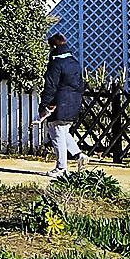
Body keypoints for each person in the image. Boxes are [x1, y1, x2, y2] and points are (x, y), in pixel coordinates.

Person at [36, 32, 86, 173]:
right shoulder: (75, 63)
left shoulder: (56, 64)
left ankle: (61, 168)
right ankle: (79, 155)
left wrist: (44, 105)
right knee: (64, 132)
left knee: (56, 134)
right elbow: (81, 85)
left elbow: (50, 87)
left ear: (53, 46)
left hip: (58, 103)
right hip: (73, 103)